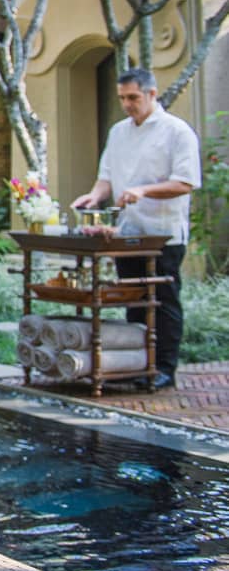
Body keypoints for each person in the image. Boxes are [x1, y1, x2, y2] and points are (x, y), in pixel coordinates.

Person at [72, 68, 200, 390]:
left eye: (133, 98)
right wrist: (95, 195)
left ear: (152, 94)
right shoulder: (118, 132)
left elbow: (185, 183)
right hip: (126, 232)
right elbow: (107, 177)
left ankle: (165, 368)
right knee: (134, 300)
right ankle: (138, 365)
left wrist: (143, 190)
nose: (127, 104)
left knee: (162, 301)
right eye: (122, 98)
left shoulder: (177, 132)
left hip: (163, 233)